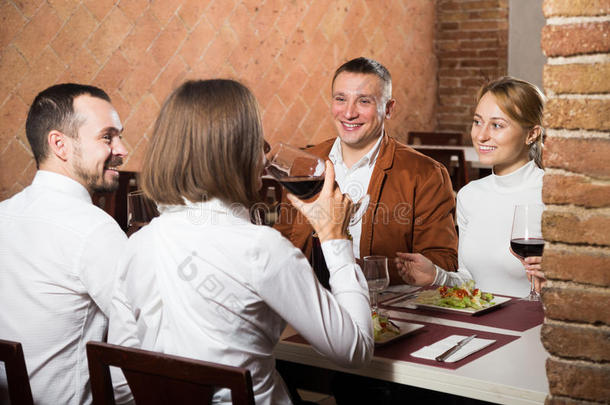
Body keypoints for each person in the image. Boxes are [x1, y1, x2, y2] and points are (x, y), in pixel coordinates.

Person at [107, 79, 374, 405]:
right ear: (239, 153)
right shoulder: (262, 248)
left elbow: (121, 379)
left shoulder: (138, 244)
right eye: (255, 141)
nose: (264, 157)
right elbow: (355, 350)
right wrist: (334, 237)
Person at [274, 57, 459, 285]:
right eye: (341, 99)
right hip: (312, 307)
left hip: (384, 311)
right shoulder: (304, 165)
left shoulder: (425, 174)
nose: (349, 113)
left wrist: (363, 271)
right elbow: (282, 243)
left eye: (364, 101)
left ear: (388, 109)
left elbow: (443, 262)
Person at [0, 83, 129, 404]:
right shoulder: (94, 230)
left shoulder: (3, 214)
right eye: (107, 137)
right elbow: (144, 342)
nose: (123, 150)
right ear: (60, 145)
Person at [396, 76, 546, 297]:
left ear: (531, 134)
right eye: (477, 122)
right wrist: (436, 276)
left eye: (497, 125)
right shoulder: (469, 195)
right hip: (479, 324)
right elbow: (469, 281)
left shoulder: (552, 195)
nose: (481, 135)